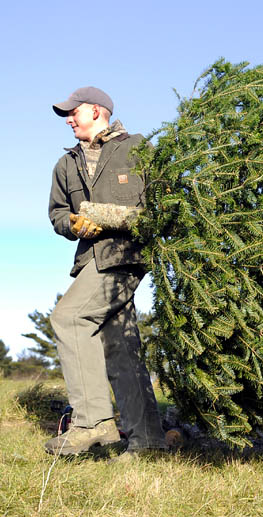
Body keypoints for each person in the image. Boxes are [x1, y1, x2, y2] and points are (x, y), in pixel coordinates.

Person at [45, 86, 165, 459]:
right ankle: (148, 441)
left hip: (125, 255)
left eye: (73, 112)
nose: (68, 119)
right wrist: (74, 224)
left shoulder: (139, 149)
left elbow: (160, 201)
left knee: (69, 318)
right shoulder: (66, 164)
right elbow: (57, 213)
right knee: (120, 346)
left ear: (97, 110)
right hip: (90, 260)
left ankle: (92, 422)